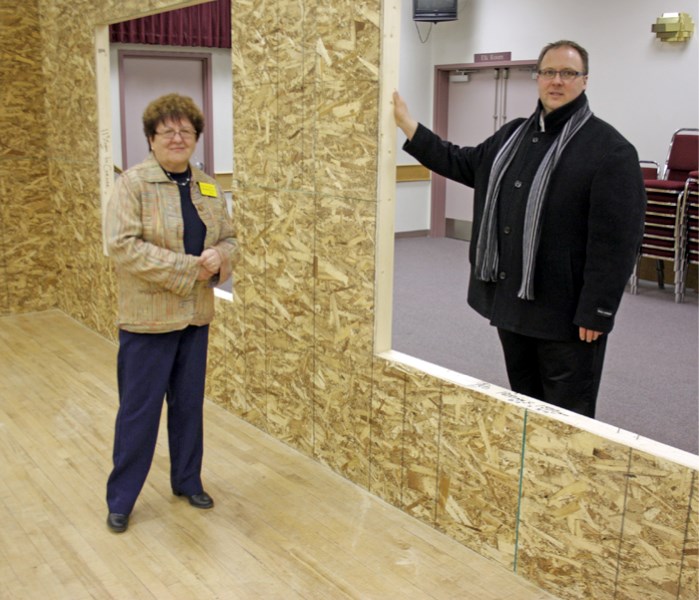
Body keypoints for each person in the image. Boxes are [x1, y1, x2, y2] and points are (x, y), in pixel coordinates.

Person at [394, 40, 646, 418]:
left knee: (567, 415)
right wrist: (409, 127)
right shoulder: (512, 135)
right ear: (538, 77)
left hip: (566, 316)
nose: (556, 81)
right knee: (525, 401)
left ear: (585, 81)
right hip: (511, 304)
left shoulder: (610, 151)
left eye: (568, 73)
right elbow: (463, 163)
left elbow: (616, 243)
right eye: (548, 72)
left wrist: (598, 310)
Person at [104, 93, 238, 533]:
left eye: (186, 131)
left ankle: (187, 481)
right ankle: (122, 498)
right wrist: (188, 267)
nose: (178, 138)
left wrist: (220, 255)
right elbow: (122, 247)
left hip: (194, 318)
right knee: (138, 413)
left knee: (187, 408)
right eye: (168, 131)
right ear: (151, 137)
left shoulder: (207, 185)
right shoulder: (133, 184)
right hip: (147, 321)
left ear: (197, 138)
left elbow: (230, 238)